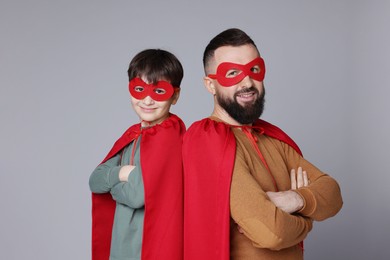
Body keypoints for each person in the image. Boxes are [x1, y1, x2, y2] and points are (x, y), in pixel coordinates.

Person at [182, 28, 343, 260]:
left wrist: (295, 199)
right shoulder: (207, 139)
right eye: (233, 73)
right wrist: (308, 218)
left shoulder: (271, 138)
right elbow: (272, 232)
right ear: (210, 84)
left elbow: (334, 194)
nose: (247, 81)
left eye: (254, 69)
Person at [89, 49, 185, 260]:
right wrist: (123, 173)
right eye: (140, 89)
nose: (148, 100)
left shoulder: (169, 136)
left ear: (175, 95)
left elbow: (137, 194)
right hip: (122, 246)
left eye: (159, 91)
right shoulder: (133, 135)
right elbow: (95, 181)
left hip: (148, 248)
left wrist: (113, 187)